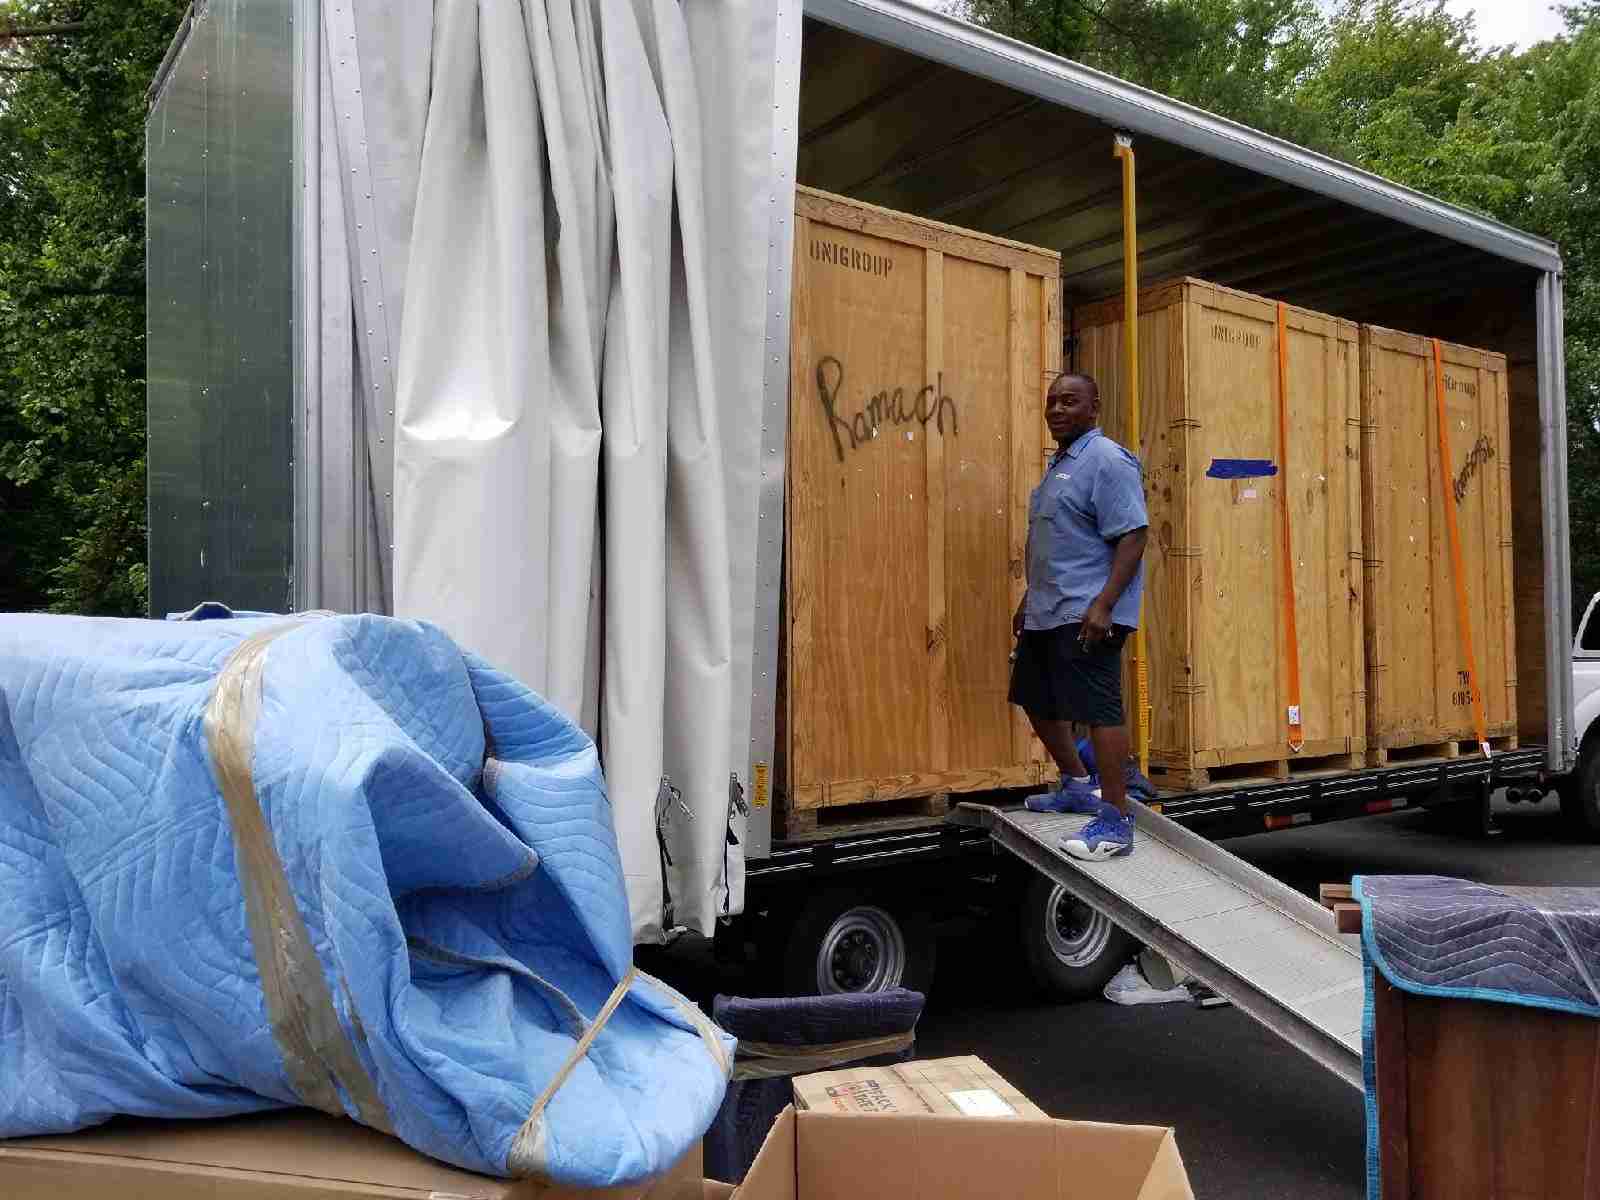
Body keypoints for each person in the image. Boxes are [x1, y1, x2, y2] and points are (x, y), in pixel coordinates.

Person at [1008, 372, 1149, 861]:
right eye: (1051, 402)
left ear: (1094, 407)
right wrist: (1030, 597)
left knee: (1099, 709)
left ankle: (1114, 822)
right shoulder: (1060, 465)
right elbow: (1056, 541)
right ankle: (1075, 784)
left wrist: (1105, 604)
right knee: (1033, 695)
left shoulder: (1107, 460)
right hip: (1051, 607)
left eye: (1069, 401)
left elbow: (1132, 535)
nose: (1057, 410)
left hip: (1088, 609)